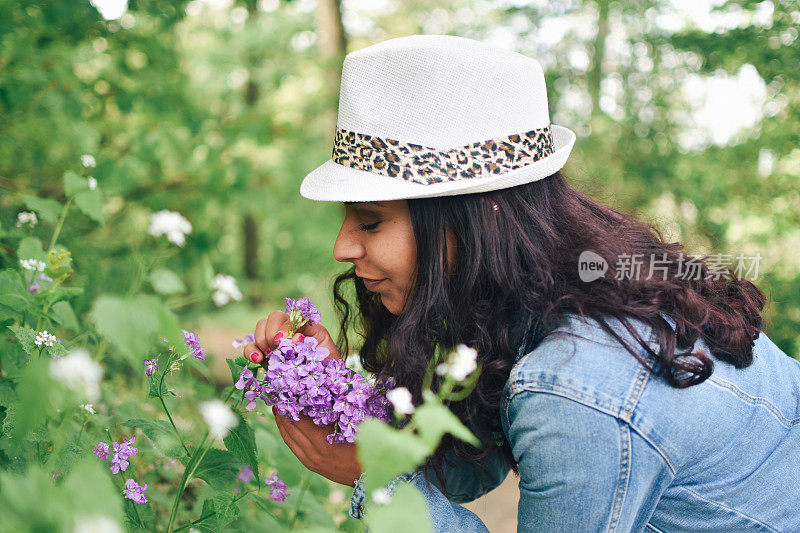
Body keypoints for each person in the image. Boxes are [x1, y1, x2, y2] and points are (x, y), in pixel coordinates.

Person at [242, 35, 800, 532]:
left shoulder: (574, 386)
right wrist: (343, 404)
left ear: (476, 221)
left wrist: (378, 481)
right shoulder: (542, 300)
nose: (342, 246)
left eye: (370, 221)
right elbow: (465, 468)